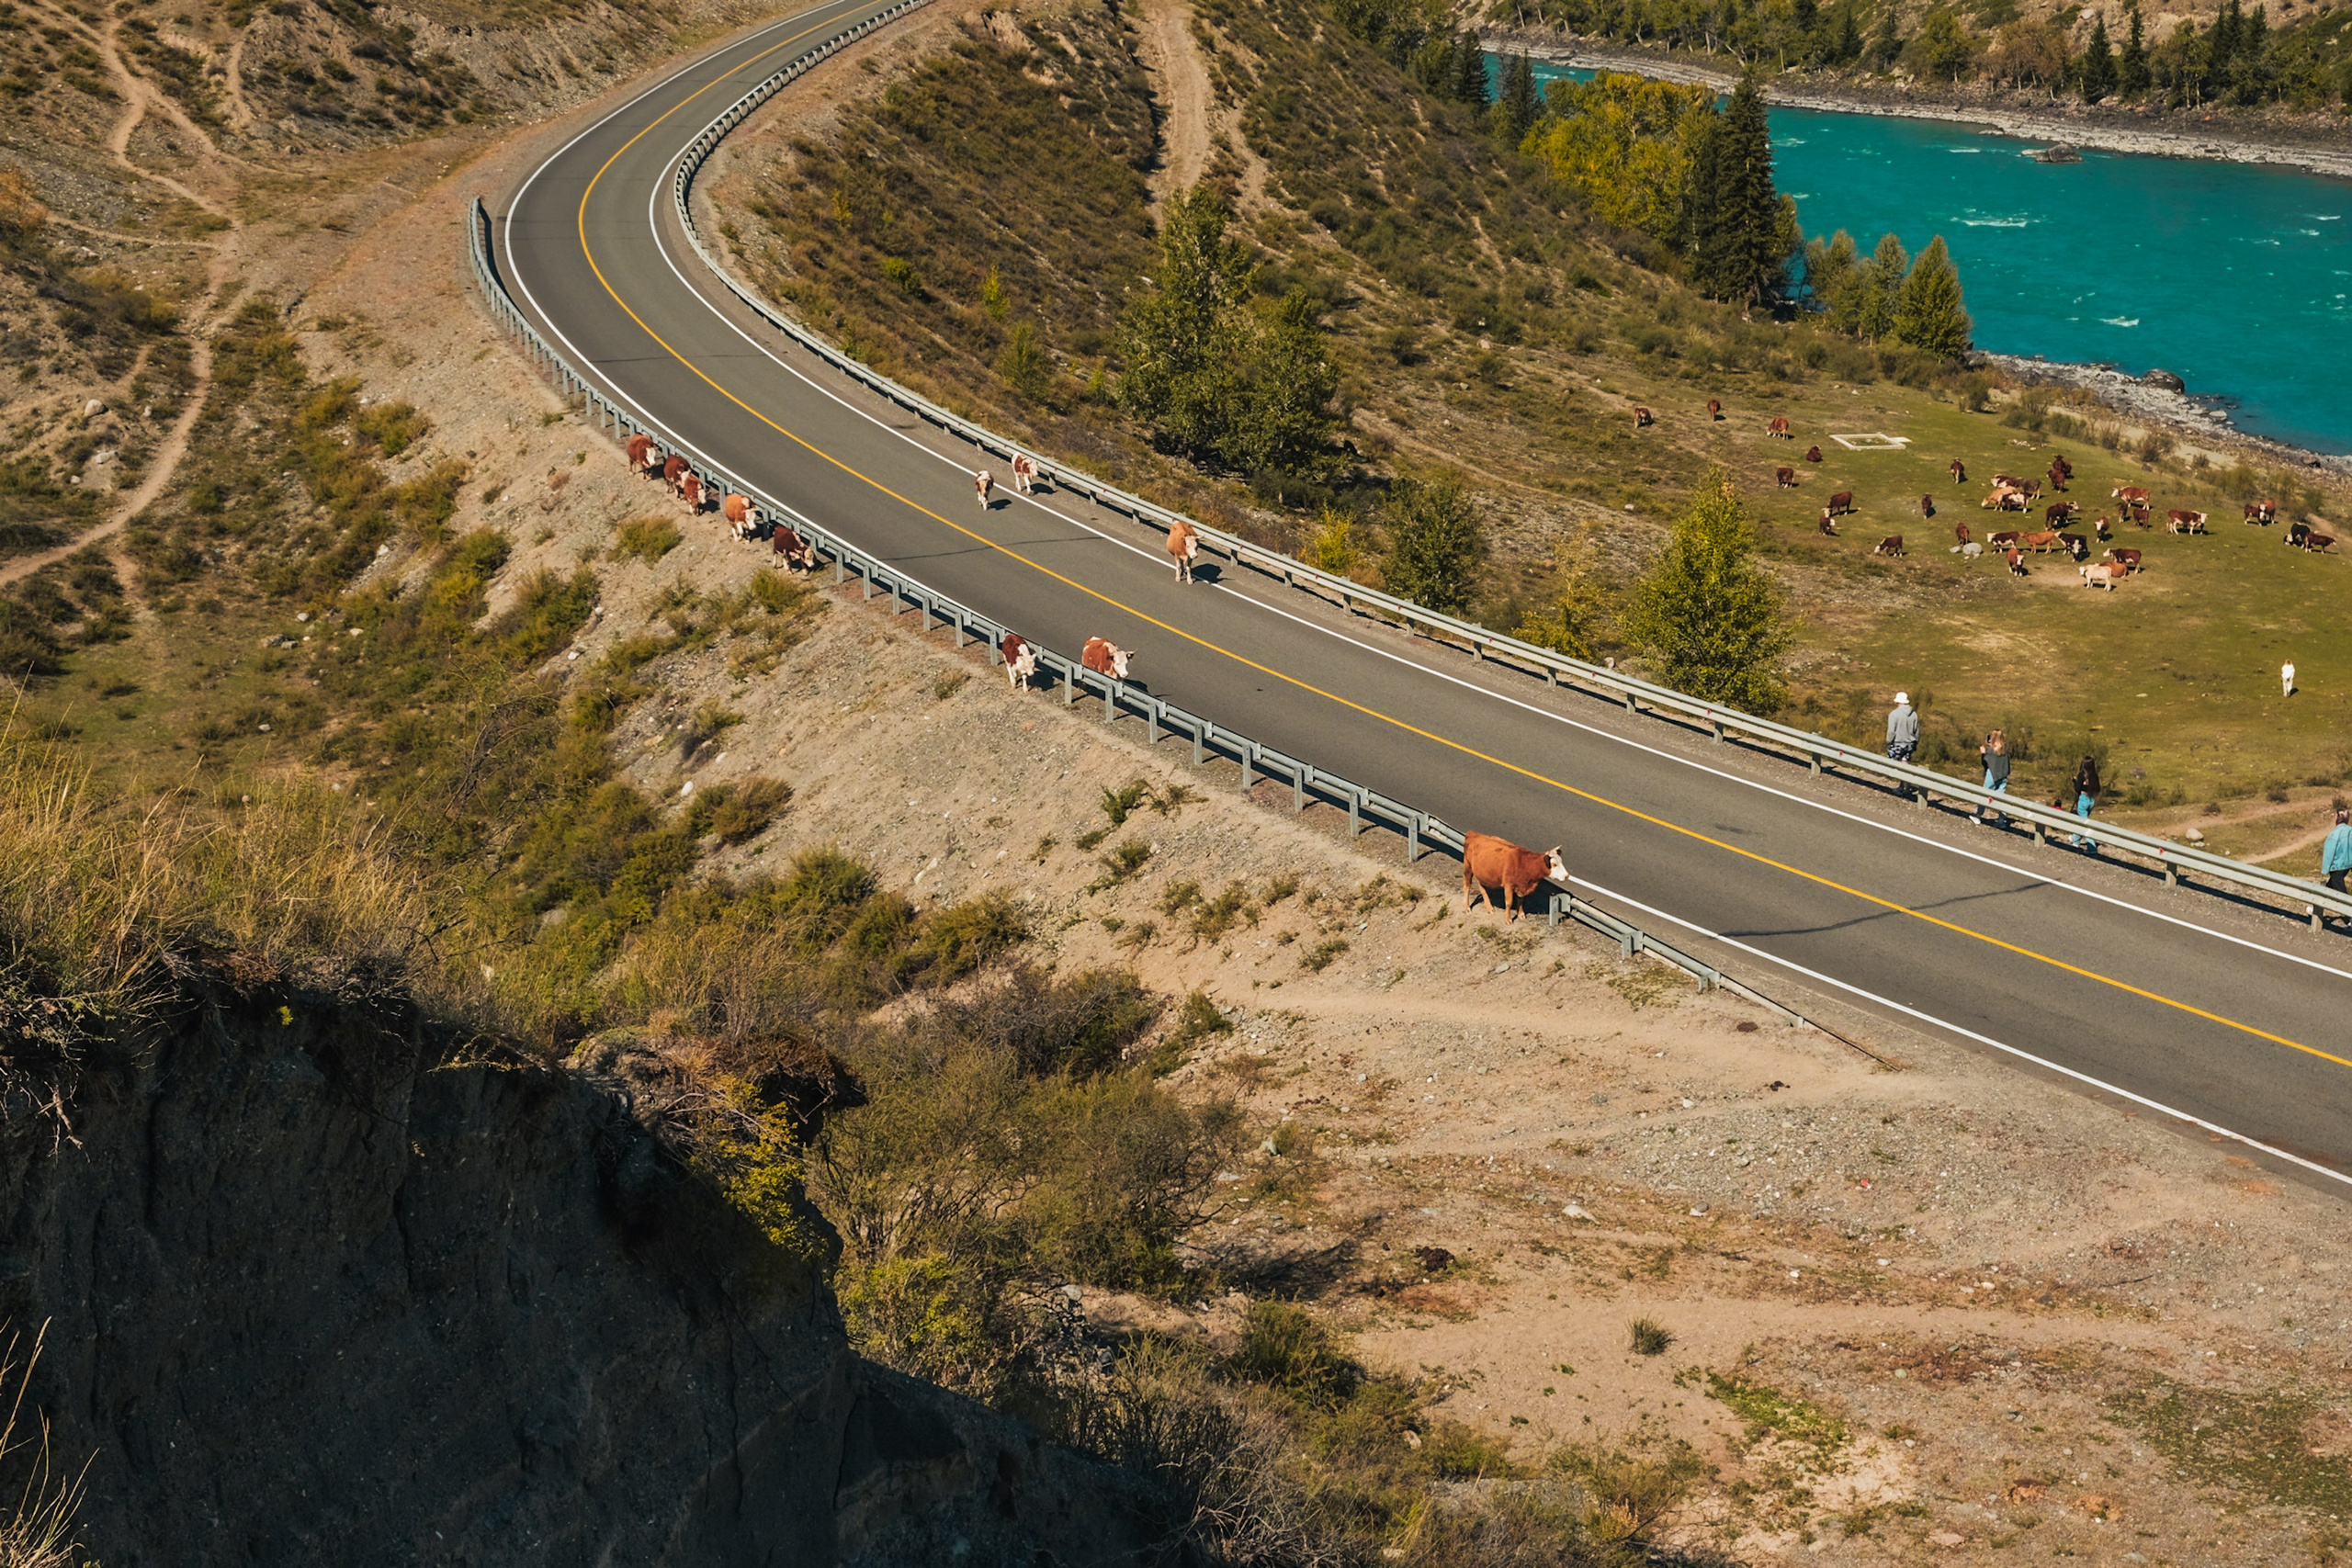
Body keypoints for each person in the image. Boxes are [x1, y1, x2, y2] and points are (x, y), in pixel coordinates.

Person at [1886, 693, 1920, 798]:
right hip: (1909, 744)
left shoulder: (1894, 714)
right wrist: (1915, 743)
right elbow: (1917, 732)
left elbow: (1891, 731)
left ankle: (1903, 787)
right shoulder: (1914, 714)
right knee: (1905, 765)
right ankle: (1904, 787)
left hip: (1897, 743)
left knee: (1894, 765)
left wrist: (1888, 741)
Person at [1973, 729, 2010, 825]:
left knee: (1984, 794)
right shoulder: (2004, 749)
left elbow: (1985, 763)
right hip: (2003, 776)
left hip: (1992, 775)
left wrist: (1983, 753)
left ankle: (1978, 815)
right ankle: (2002, 820)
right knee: (2001, 798)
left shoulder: (1991, 751)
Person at [2323, 808, 2352, 926]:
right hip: (2348, 865)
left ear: (2337, 818)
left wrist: (2325, 869)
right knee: (2328, 888)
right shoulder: (2350, 831)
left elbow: (2329, 852)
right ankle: (2315, 907)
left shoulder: (2335, 833)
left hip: (2337, 866)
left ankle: (2350, 916)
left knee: (2341, 893)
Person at [2070, 754, 2102, 851]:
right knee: (2083, 820)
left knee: (2085, 824)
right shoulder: (2095, 776)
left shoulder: (2081, 775)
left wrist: (2075, 782)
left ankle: (2092, 848)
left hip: (2083, 799)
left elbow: (2078, 789)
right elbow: (2098, 789)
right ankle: (2075, 839)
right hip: (2091, 799)